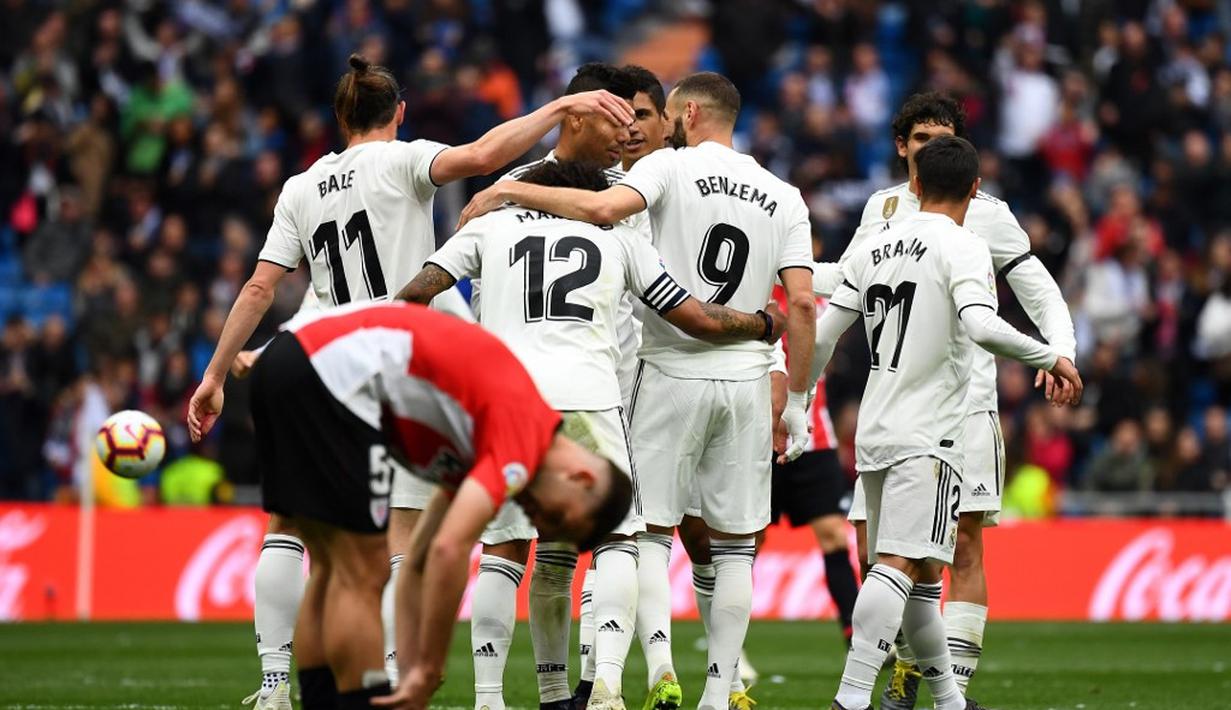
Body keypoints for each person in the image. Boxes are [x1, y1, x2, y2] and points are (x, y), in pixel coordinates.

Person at [186, 53, 634, 710]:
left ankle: (283, 685)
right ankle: (382, 685)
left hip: (303, 347)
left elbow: (261, 285)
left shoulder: (300, 186)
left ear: (340, 116)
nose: (540, 519)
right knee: (370, 562)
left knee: (311, 543)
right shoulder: (402, 163)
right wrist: (557, 109)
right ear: (398, 113)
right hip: (358, 368)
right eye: (557, 515)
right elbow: (481, 156)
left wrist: (216, 372)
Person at [458, 71, 818, 710]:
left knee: (636, 535)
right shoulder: (780, 192)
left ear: (685, 115)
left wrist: (506, 190)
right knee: (704, 546)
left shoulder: (660, 173)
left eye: (653, 116)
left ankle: (622, 679)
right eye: (620, 119)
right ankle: (690, 687)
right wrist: (785, 378)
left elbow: (601, 218)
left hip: (648, 376)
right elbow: (801, 302)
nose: (635, 131)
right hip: (689, 378)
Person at [399, 158, 787, 709]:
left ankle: (490, 699)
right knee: (618, 541)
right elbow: (694, 318)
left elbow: (415, 293)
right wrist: (764, 323)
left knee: (505, 547)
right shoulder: (618, 239)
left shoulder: (491, 224)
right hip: (588, 396)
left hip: (507, 400)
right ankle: (605, 686)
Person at [191, 300, 631, 710]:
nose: (537, 520)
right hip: (329, 378)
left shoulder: (487, 432)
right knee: (360, 573)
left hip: (293, 360)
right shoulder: (522, 436)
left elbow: (421, 552)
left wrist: (409, 669)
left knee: (330, 567)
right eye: (556, 516)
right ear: (581, 477)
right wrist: (428, 669)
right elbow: (449, 550)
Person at [812, 92, 1078, 709]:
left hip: (965, 407)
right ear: (903, 145)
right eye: (922, 137)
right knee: (878, 552)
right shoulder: (881, 210)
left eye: (944, 137)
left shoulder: (986, 214)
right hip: (896, 398)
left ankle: (936, 690)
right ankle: (925, 684)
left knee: (957, 545)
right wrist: (789, 268)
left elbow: (1034, 285)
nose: (932, 147)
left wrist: (1061, 348)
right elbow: (846, 283)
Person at [466, 62, 638, 710]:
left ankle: (554, 692)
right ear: (577, 115)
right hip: (597, 386)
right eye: (615, 118)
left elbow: (474, 287)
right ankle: (595, 694)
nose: (627, 133)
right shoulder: (624, 198)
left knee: (525, 546)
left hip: (525, 389)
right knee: (610, 536)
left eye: (633, 118)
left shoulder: (508, 187)